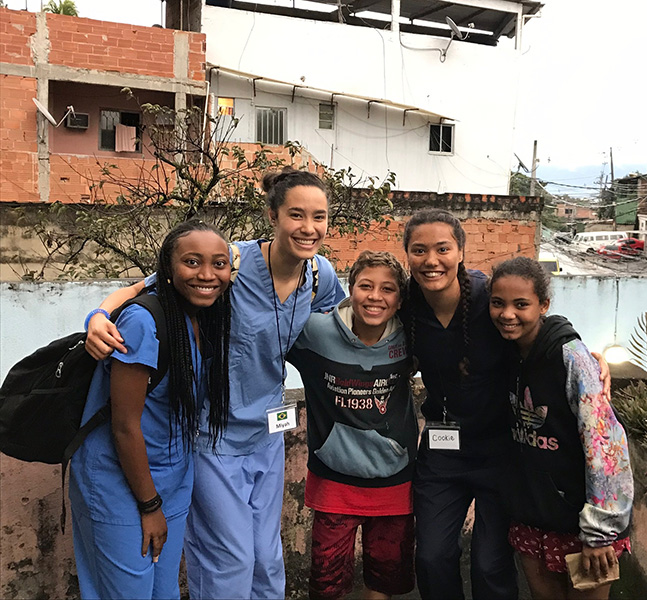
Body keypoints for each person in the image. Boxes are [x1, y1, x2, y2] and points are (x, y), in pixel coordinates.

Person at [83, 170, 346, 599]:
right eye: (296, 214)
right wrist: (97, 316)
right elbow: (143, 288)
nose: (308, 227)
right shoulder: (230, 264)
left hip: (267, 435)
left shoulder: (319, 276)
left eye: (319, 216)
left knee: (267, 558)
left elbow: (339, 325)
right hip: (213, 437)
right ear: (273, 216)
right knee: (229, 560)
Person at [400, 208, 612, 600]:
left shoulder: (488, 298)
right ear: (407, 255)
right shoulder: (406, 306)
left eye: (443, 248)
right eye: (419, 250)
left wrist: (587, 355)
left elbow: (537, 321)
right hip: (442, 454)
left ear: (461, 251)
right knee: (431, 557)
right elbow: (364, 320)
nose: (431, 260)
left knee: (490, 562)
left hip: (501, 452)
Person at [69, 220, 232, 599]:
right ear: (169, 270)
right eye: (192, 262)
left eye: (219, 263)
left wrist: (99, 310)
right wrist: (149, 505)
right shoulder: (145, 321)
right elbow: (125, 425)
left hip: (173, 477)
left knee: (164, 592)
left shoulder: (204, 312)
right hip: (120, 483)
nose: (207, 274)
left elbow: (129, 286)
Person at [487, 256, 633, 600]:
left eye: (521, 304)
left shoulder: (572, 359)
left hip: (580, 524)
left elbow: (605, 447)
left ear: (543, 305)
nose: (508, 314)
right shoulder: (504, 352)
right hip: (530, 515)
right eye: (498, 303)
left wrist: (599, 532)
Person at [289, 250, 417, 600]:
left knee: (384, 581)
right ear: (351, 288)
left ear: (400, 298)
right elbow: (261, 332)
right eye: (366, 286)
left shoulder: (411, 339)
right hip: (334, 483)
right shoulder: (314, 331)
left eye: (387, 289)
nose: (375, 297)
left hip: (394, 483)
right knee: (327, 584)